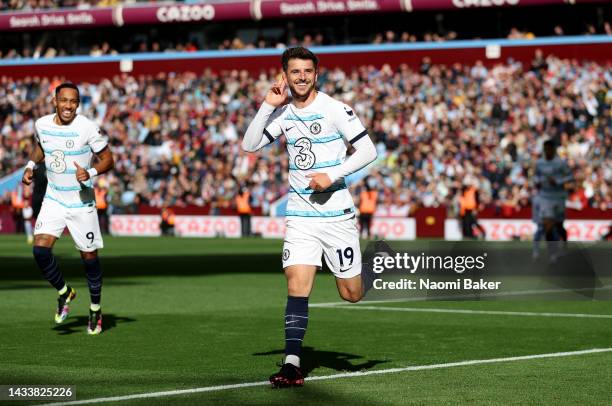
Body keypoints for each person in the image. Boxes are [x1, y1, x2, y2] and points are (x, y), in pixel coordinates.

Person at [242, 47, 377, 388]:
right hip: (300, 216)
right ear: (284, 76)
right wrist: (267, 106)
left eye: (307, 71)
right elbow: (249, 144)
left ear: (317, 74)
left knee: (352, 294)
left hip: (336, 216)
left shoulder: (334, 109)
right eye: (294, 72)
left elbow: (368, 150)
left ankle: (375, 262)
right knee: (296, 287)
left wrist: (331, 176)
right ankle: (292, 364)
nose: (301, 77)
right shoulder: (283, 113)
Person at [22, 82, 114, 335]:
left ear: (77, 104)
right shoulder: (42, 124)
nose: (69, 106)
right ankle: (65, 292)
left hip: (81, 201)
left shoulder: (87, 127)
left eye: (73, 102)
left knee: (89, 258)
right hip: (54, 198)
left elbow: (109, 158)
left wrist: (91, 172)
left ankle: (95, 308)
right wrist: (31, 165)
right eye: (64, 100)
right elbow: (42, 146)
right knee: (40, 251)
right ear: (55, 100)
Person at [534, 140, 573, 261]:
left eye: (549, 149)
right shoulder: (540, 163)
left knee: (558, 225)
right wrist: (537, 182)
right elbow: (536, 175)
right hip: (545, 196)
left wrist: (558, 182)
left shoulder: (560, 163)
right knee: (547, 225)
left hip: (558, 196)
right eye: (545, 149)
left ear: (554, 150)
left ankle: (565, 245)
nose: (547, 151)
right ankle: (552, 254)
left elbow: (570, 176)